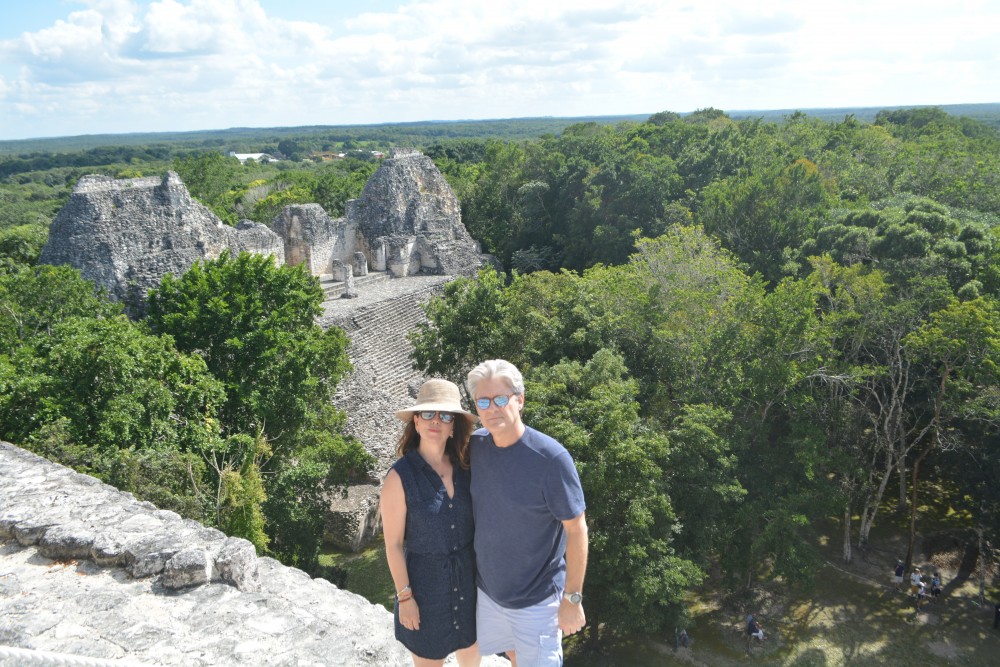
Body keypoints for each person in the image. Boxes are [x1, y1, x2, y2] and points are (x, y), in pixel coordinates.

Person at [466, 359, 588, 667]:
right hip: (489, 593)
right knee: (512, 655)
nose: (492, 409)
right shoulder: (476, 447)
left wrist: (572, 599)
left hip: (538, 601)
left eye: (500, 399)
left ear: (519, 400)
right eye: (483, 401)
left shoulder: (551, 459)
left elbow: (577, 530)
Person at [380, 379, 481, 667]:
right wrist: (405, 597)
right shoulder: (400, 478)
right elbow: (393, 545)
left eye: (445, 415)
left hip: (467, 587)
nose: (436, 421)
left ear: (453, 426)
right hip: (423, 593)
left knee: (472, 659)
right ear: (416, 422)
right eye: (428, 414)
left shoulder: (466, 468)